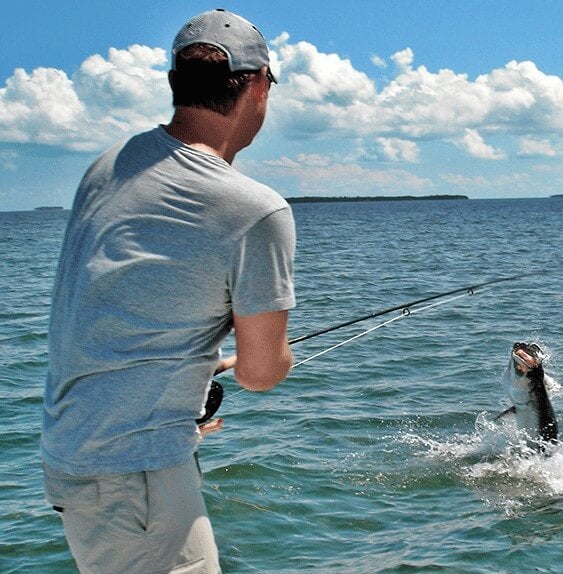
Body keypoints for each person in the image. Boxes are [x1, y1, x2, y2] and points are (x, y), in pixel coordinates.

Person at [41, 9, 293, 572]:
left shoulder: (109, 165)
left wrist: (192, 376)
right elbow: (261, 372)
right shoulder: (255, 210)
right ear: (255, 86)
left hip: (76, 455)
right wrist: (278, 356)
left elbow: (104, 314)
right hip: (134, 476)